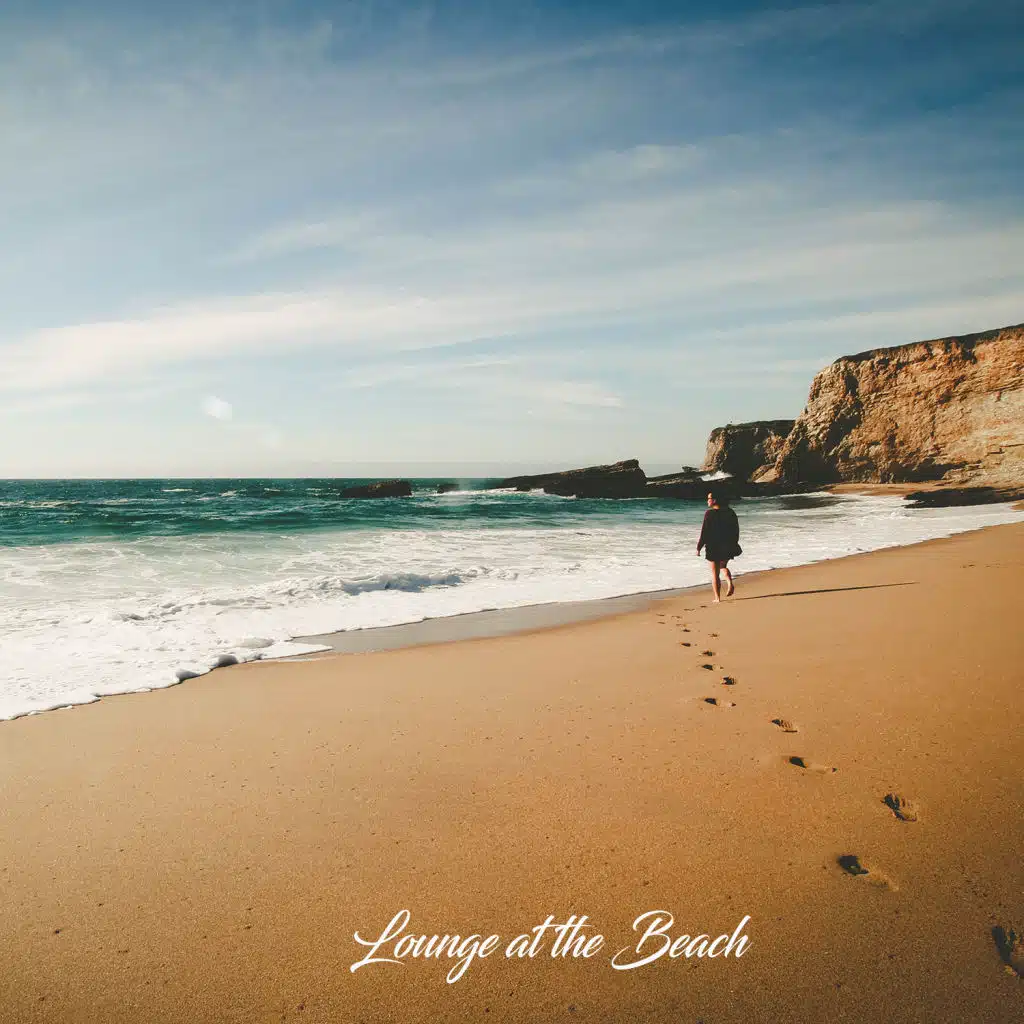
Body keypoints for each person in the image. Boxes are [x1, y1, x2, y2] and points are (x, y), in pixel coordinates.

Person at [696, 488, 741, 603]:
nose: (707, 501)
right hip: (727, 544)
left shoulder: (709, 513)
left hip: (713, 545)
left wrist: (699, 547)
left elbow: (704, 532)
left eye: (709, 498)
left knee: (715, 573)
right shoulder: (730, 512)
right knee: (722, 566)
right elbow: (736, 529)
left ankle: (717, 598)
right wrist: (734, 543)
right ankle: (729, 582)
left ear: (714, 500)